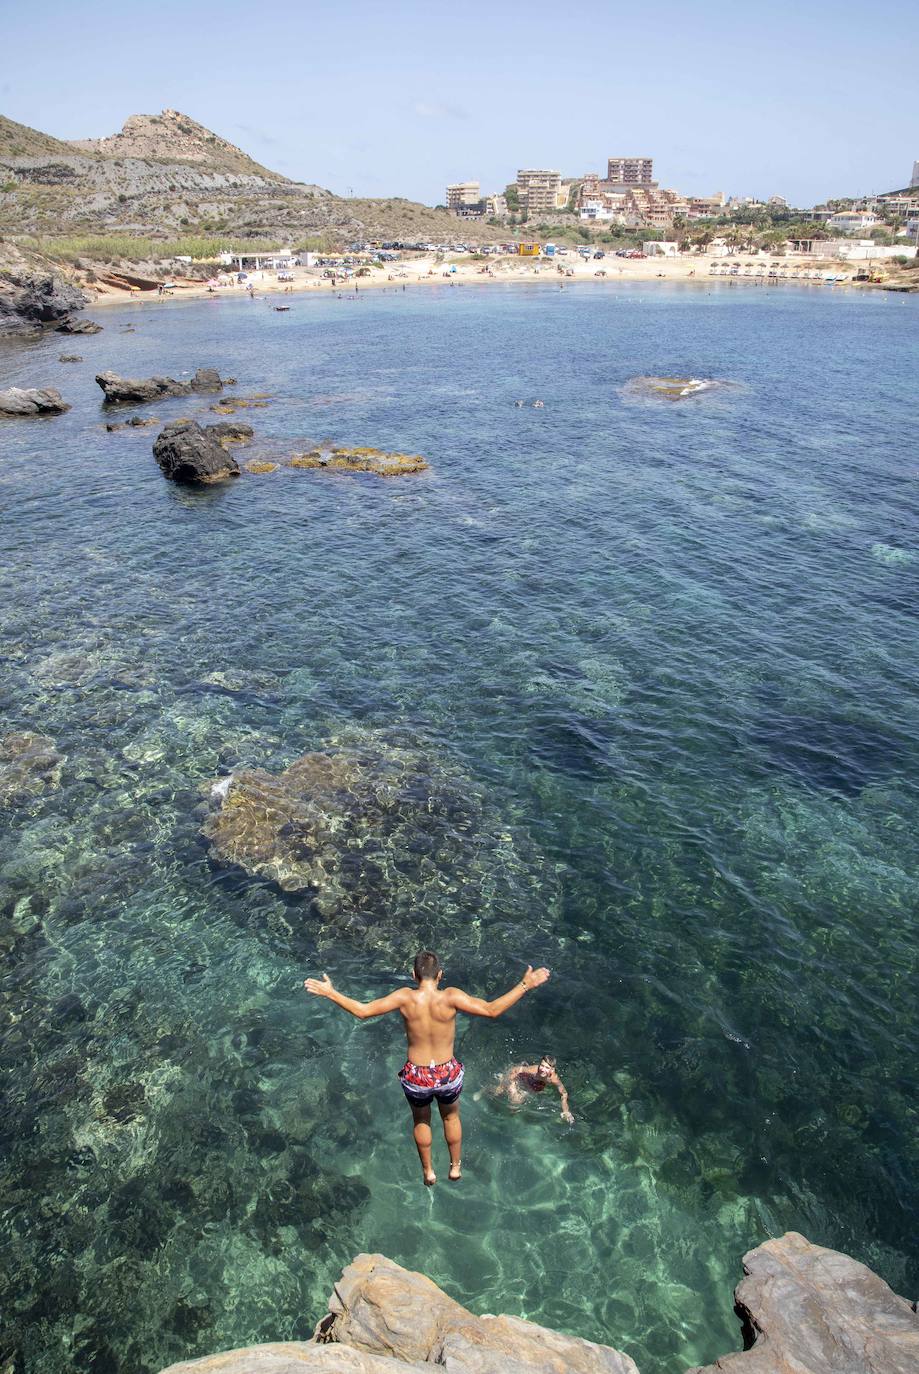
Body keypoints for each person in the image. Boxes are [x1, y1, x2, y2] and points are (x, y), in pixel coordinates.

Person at [304, 951, 550, 1187]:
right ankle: (455, 1167)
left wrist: (330, 992)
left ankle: (428, 1171)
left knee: (421, 1120)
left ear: (414, 975)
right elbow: (491, 1010)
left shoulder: (404, 997)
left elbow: (363, 1011)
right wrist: (525, 985)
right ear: (440, 975)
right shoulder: (451, 996)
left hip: (417, 1075)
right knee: (450, 1117)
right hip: (447, 1073)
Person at [495, 1055, 573, 1123]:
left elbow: (564, 1093)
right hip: (523, 1078)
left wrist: (566, 1111)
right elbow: (515, 1070)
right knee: (504, 1094)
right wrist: (504, 1085)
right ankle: (496, 1084)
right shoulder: (533, 1071)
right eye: (542, 1065)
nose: (542, 1069)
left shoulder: (553, 1079)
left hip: (535, 1085)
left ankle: (508, 1118)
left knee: (515, 1104)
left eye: (546, 1067)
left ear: (552, 1070)